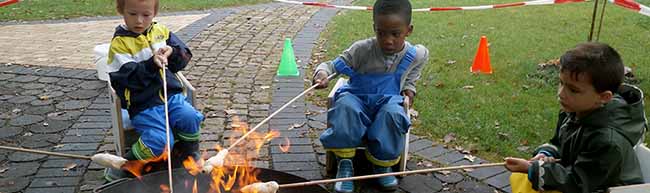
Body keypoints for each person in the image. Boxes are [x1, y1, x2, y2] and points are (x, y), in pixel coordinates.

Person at [312, 0, 428, 192]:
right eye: (381, 33)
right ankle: (345, 163)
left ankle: (382, 164)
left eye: (395, 34)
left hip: (387, 99)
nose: (388, 40)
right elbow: (332, 66)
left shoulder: (415, 55)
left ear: (409, 30)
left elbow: (411, 77)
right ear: (374, 28)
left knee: (393, 114)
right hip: (357, 96)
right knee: (345, 107)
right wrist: (321, 74)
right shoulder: (362, 50)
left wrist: (409, 89)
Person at [505, 42, 646, 193]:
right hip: (580, 179)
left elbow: (579, 183)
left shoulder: (608, 141)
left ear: (604, 97)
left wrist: (533, 170)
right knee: (521, 178)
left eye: (573, 89)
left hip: (604, 189)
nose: (561, 93)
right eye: (561, 83)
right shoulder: (575, 110)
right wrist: (547, 154)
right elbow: (560, 143)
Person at [104, 0, 204, 181]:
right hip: (143, 103)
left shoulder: (161, 32)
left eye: (146, 15)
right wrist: (151, 64)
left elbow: (184, 56)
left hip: (171, 95)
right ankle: (126, 165)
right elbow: (127, 79)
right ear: (121, 11)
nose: (139, 21)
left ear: (154, 13)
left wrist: (172, 52)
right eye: (132, 14)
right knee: (161, 141)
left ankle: (189, 154)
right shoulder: (120, 44)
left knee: (190, 117)